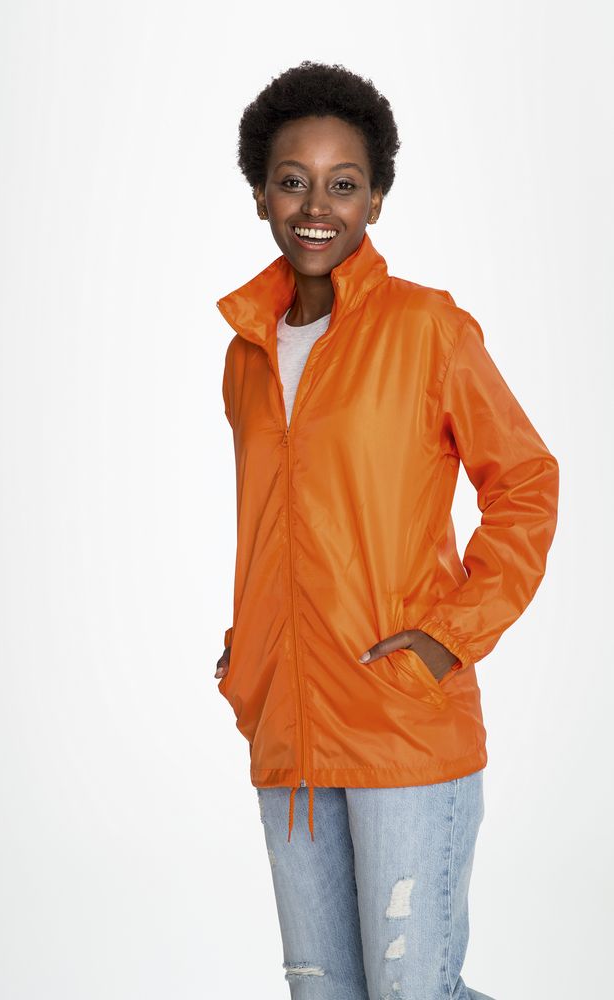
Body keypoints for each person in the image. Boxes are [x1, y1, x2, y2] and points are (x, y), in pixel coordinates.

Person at [213, 60, 559, 1000]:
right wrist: (252, 645)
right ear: (260, 194)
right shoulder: (247, 355)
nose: (315, 206)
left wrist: (451, 636)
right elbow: (275, 521)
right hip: (289, 726)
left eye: (343, 184)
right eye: (293, 181)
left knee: (413, 992)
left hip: (400, 718)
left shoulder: (428, 330)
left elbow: (525, 482)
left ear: (375, 200)